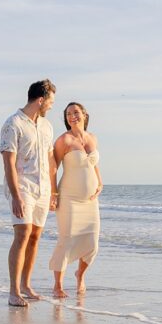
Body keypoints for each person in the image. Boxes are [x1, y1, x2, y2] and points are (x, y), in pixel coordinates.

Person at [0, 79, 58, 307]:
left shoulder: (46, 126)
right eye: (50, 101)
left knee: (35, 237)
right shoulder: (13, 124)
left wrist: (54, 191)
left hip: (43, 188)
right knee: (22, 235)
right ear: (41, 100)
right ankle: (14, 291)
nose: (52, 106)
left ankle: (26, 285)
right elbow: (9, 163)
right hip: (22, 186)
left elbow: (51, 159)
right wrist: (16, 196)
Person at [49, 102, 102, 297]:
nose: (73, 116)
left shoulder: (92, 138)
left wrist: (100, 183)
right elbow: (53, 168)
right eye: (69, 114)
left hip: (90, 200)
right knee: (67, 239)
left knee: (92, 242)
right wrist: (53, 195)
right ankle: (58, 286)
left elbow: (94, 164)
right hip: (69, 198)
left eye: (76, 112)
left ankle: (80, 275)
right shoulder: (64, 140)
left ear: (85, 115)